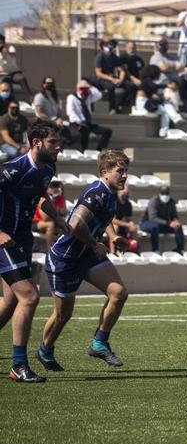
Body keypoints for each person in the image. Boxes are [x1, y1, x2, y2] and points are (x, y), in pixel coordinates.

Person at [39, 150, 132, 371]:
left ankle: (99, 343)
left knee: (119, 293)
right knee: (63, 315)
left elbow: (104, 218)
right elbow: (76, 225)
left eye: (126, 171)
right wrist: (94, 244)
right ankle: (44, 350)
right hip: (65, 259)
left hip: (87, 256)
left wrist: (112, 237)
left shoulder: (109, 193)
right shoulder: (96, 192)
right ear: (105, 172)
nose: (125, 175)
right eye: (120, 171)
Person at [0, 123, 64, 382]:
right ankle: (18, 365)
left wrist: (58, 219)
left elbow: (40, 197)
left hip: (22, 240)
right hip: (4, 241)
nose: (59, 147)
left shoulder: (48, 169)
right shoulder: (11, 169)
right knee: (29, 296)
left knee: (10, 302)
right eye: (53, 142)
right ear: (37, 142)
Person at [65, 80, 112, 151]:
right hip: (76, 123)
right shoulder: (72, 97)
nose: (83, 90)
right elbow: (70, 112)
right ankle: (84, 150)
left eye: (85, 88)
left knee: (107, 131)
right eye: (81, 88)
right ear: (77, 88)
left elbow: (99, 95)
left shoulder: (88, 97)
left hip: (87, 123)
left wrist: (90, 86)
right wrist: (79, 122)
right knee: (84, 130)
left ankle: (99, 150)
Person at [140, 186, 186, 253]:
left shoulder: (171, 202)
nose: (165, 195)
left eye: (167, 193)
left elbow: (174, 215)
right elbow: (153, 218)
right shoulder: (153, 201)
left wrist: (176, 221)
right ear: (159, 193)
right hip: (147, 223)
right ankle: (155, 250)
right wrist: (169, 223)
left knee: (178, 227)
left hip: (163, 224)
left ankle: (180, 249)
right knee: (154, 227)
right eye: (163, 193)